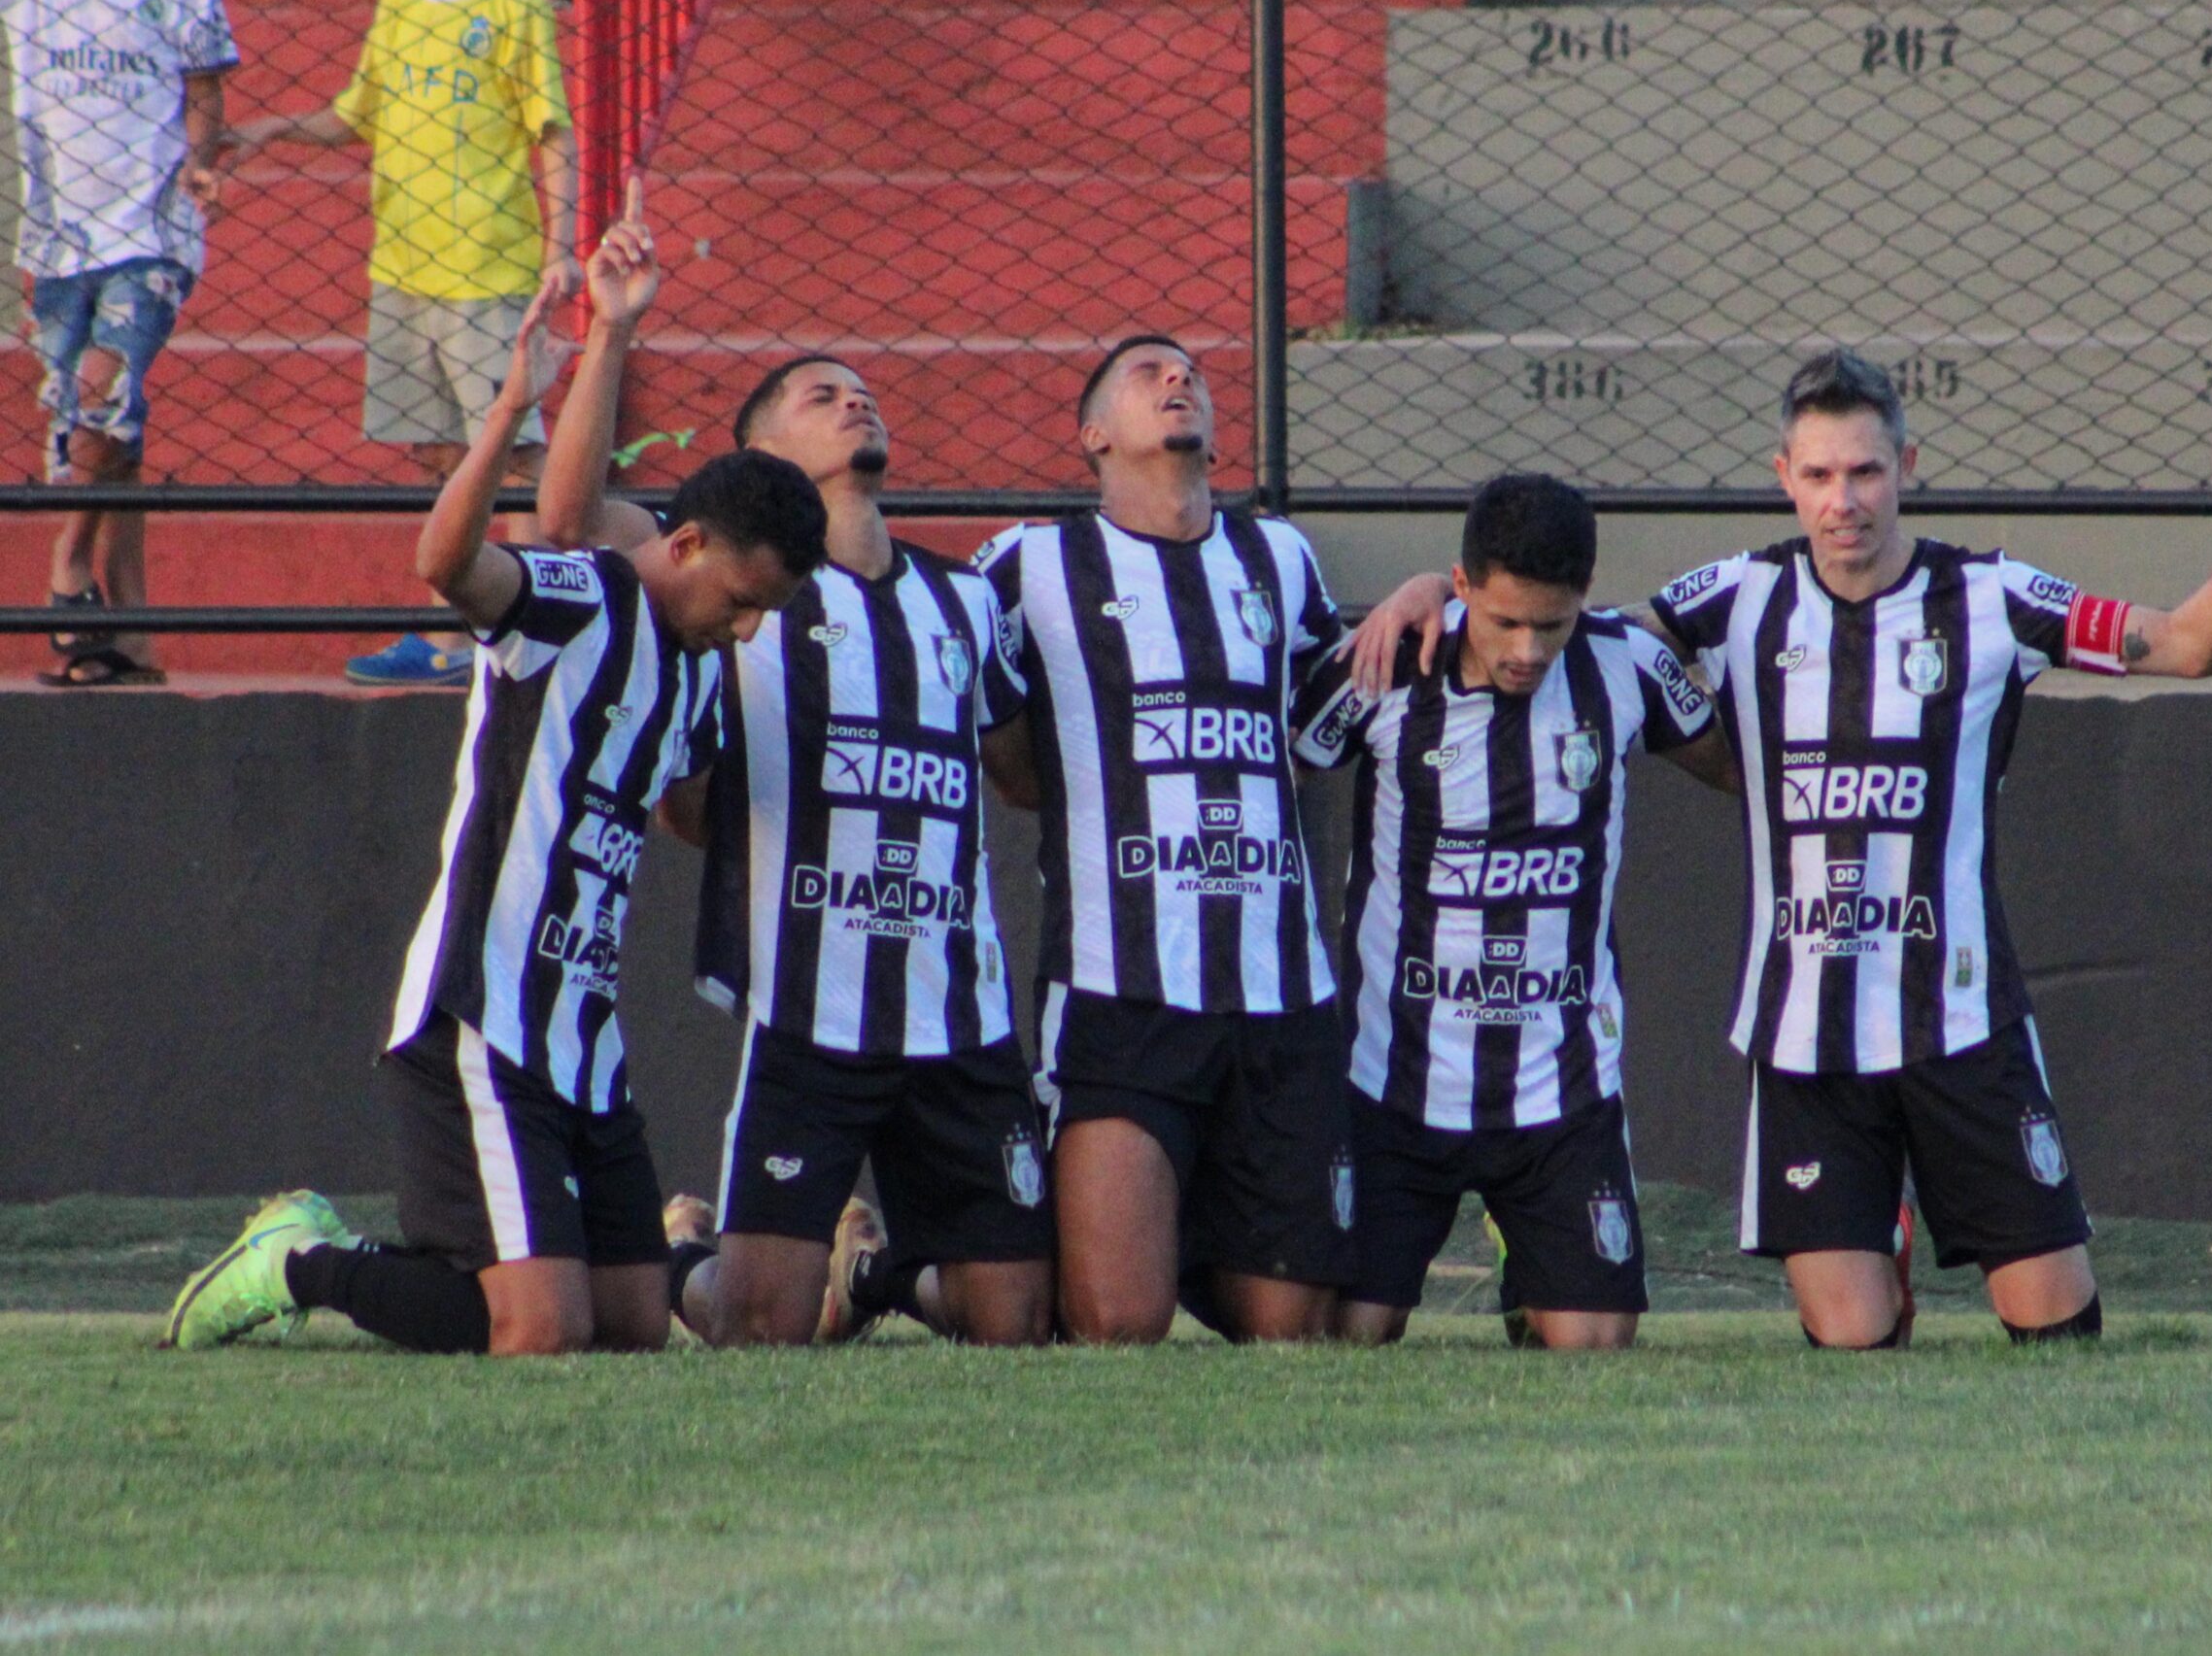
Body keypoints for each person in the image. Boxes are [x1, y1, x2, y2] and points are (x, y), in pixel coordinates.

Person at [1352, 349, 2212, 1348]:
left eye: (1866, 472)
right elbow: (1559, 632)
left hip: (1960, 1019)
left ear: (1907, 466)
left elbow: (2191, 645)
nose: (1844, 500)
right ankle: (1871, 1230)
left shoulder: (1991, 600)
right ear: (1784, 480)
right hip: (1806, 1039)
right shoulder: (1732, 597)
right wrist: (1432, 596)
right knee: (1851, 1344)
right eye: (1819, 476)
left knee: (2055, 1331)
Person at [163, 292, 826, 1357]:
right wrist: (513, 405)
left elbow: (690, 815)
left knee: (628, 1329)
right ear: (688, 543)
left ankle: (635, 1247)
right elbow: (447, 565)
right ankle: (296, 1259)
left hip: (583, 1036)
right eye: (740, 600)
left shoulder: (702, 677)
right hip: (482, 1015)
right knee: (539, 1333)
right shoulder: (580, 602)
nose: (745, 628)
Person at [534, 184, 1054, 1348]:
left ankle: (866, 1278)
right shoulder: (730, 584)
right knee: (758, 1327)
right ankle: (683, 1252)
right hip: (810, 1009)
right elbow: (565, 525)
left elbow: (1019, 775)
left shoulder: (968, 601)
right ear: (760, 454)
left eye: (863, 393)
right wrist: (611, 331)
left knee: (1018, 1321)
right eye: (821, 395)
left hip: (956, 1012)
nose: (854, 400)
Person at [973, 335, 1354, 1344]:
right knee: (1117, 1326)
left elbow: (1322, 729)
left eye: (1191, 373)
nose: (1178, 379)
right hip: (1119, 991)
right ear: (1092, 435)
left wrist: (1409, 603)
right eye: (1147, 374)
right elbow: (1005, 757)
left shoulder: (1280, 555)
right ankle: (902, 1273)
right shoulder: (1028, 564)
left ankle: (1172, 1226)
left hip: (1280, 994)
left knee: (1293, 1332)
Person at [1291, 473, 1726, 1349]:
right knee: (1345, 1334)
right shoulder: (1383, 667)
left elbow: (1743, 771)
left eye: (1552, 625)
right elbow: (1269, 773)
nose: (1529, 648)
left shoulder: (1627, 668)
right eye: (1506, 622)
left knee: (1595, 1344)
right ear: (1460, 589)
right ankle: (1496, 1233)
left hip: (1558, 1082)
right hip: (1393, 1078)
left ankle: (1527, 1258)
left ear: (1584, 603)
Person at [224, 0, 580, 687]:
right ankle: (451, 629)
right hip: (403, 267)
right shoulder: (402, 8)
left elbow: (553, 131)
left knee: (513, 454)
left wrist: (559, 249)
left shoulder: (518, 10)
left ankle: (532, 626)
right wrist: (267, 130)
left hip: (486, 263)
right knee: (440, 453)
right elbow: (357, 116)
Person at [8, 0, 236, 686]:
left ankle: (68, 557)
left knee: (98, 393)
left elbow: (205, 88)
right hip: (56, 237)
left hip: (151, 233)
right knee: (110, 432)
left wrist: (199, 161)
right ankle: (132, 639)